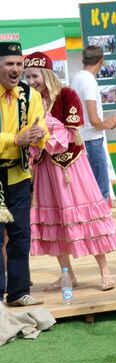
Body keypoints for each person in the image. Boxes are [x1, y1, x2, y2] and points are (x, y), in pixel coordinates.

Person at [24, 52, 116, 291]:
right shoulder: (30, 100)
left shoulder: (67, 94)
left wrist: (44, 132)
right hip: (46, 167)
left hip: (70, 167)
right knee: (54, 218)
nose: (31, 81)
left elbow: (71, 132)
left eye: (34, 75)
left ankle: (105, 271)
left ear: (46, 73)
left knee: (84, 213)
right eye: (27, 77)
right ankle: (67, 274)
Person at [0, 42, 49, 307]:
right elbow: (18, 137)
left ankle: (18, 292)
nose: (16, 69)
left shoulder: (30, 95)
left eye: (19, 64)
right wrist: (14, 139)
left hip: (19, 174)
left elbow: (40, 127)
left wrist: (40, 136)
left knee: (20, 233)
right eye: (9, 64)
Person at [70, 46, 116, 203]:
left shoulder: (77, 78)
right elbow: (94, 120)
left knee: (87, 191)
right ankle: (102, 226)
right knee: (101, 190)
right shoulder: (89, 81)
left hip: (80, 140)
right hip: (92, 140)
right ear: (101, 61)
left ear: (83, 60)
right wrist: (109, 124)